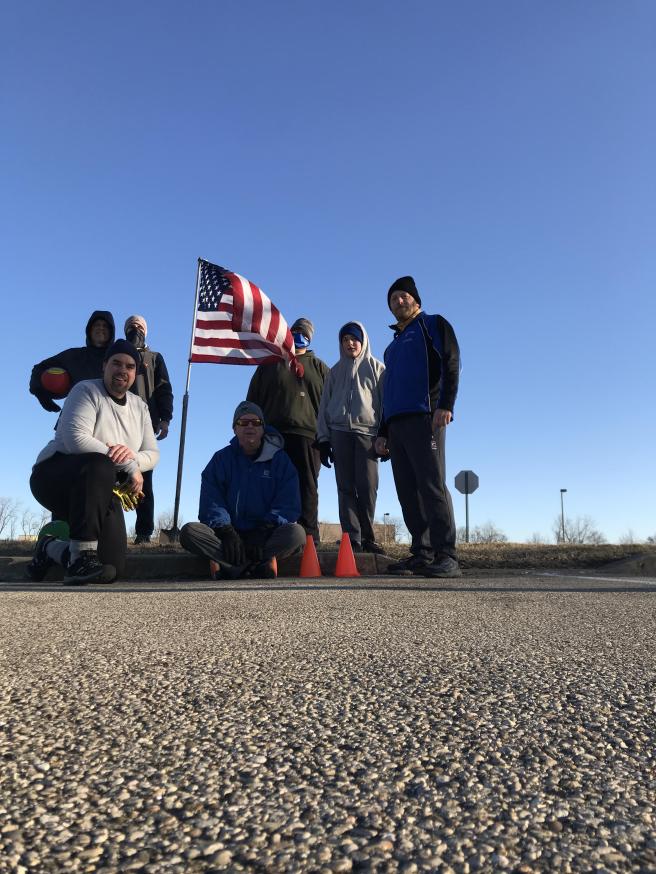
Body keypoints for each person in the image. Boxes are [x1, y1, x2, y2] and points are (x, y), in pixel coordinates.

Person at [27, 340, 159, 584]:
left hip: (99, 489)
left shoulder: (140, 406)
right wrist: (129, 465)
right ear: (104, 365)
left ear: (135, 373)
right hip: (55, 476)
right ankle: (80, 557)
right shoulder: (85, 390)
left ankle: (50, 548)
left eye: (130, 366)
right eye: (116, 363)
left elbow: (152, 453)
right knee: (100, 464)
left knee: (111, 568)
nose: (122, 370)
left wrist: (132, 457)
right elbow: (75, 439)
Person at [374, 276, 461, 578]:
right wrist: (382, 432)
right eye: (393, 299)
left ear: (416, 299)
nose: (399, 301)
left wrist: (445, 404)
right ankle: (422, 553)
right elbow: (388, 392)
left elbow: (451, 362)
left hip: (426, 417)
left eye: (403, 296)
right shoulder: (391, 348)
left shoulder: (432, 324)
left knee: (431, 484)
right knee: (407, 491)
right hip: (396, 425)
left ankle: (446, 554)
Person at [180, 402, 306, 580]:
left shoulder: (281, 461)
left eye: (256, 422)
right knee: (189, 532)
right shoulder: (220, 460)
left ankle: (230, 567)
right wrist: (226, 531)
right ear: (235, 429)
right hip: (228, 536)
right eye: (243, 422)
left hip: (265, 536)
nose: (250, 426)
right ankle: (257, 566)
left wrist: (264, 530)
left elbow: (288, 503)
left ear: (263, 428)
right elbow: (212, 501)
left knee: (296, 534)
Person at [246, 317, 329, 544]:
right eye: (296, 331)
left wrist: (328, 437)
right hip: (273, 435)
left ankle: (309, 537)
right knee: (272, 483)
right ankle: (270, 533)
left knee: (307, 485)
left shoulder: (320, 368)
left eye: (305, 333)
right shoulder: (269, 364)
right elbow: (252, 401)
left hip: (309, 436)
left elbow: (331, 404)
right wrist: (252, 429)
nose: (300, 336)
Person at [316, 321, 386, 554]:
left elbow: (385, 405)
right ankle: (352, 538)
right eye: (345, 340)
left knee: (367, 487)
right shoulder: (334, 372)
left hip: (368, 434)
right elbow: (324, 406)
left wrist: (386, 435)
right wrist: (323, 439)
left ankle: (368, 537)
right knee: (345, 487)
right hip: (340, 433)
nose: (350, 343)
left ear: (363, 341)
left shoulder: (377, 368)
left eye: (354, 339)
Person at [124, 315, 174, 544]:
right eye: (131, 326)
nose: (135, 329)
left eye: (139, 326)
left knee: (144, 481)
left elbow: (164, 389)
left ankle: (143, 533)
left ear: (145, 331)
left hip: (144, 427)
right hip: (116, 424)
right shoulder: (117, 356)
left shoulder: (155, 358)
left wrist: (165, 419)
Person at [29, 311, 116, 412]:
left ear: (111, 332)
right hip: (75, 414)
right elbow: (39, 368)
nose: (101, 328)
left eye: (105, 326)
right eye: (97, 325)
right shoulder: (74, 356)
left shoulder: (118, 359)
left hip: (111, 415)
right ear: (89, 330)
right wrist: (40, 393)